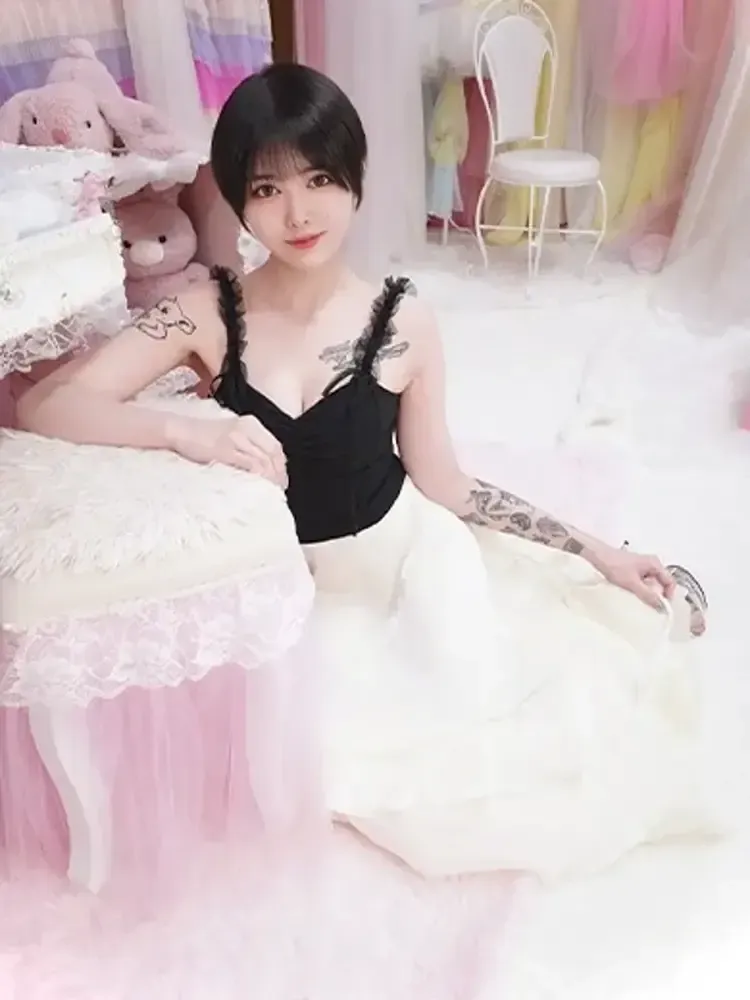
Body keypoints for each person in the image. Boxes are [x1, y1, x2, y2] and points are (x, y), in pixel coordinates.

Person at [18, 63, 714, 881]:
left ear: (354, 181)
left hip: (402, 564)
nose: (299, 212)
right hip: (289, 592)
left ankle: (606, 582)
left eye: (319, 179)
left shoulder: (404, 320)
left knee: (494, 724)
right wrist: (185, 432)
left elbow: (445, 482)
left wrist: (593, 550)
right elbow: (48, 405)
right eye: (268, 188)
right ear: (239, 199)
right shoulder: (209, 313)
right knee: (310, 751)